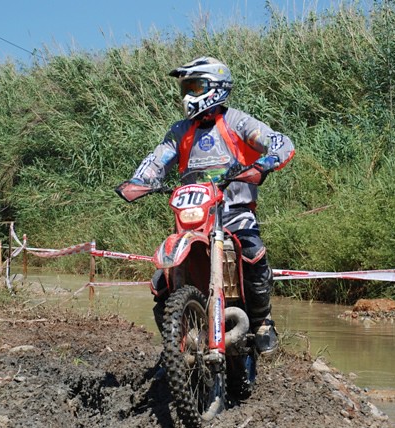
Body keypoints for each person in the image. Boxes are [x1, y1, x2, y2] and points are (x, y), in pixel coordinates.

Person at [117, 56, 295, 354]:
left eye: (195, 86)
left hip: (235, 213)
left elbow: (279, 142)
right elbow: (157, 160)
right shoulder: (179, 131)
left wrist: (265, 163)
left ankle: (263, 320)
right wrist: (139, 181)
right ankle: (177, 343)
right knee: (162, 278)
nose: (188, 94)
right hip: (194, 217)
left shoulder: (238, 122)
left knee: (252, 253)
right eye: (185, 87)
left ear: (216, 88)